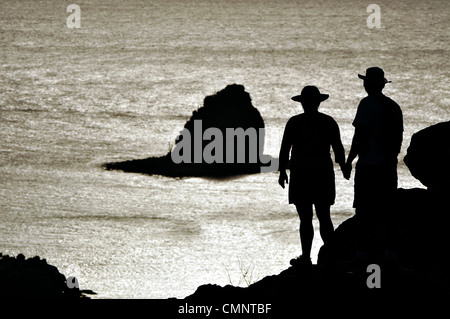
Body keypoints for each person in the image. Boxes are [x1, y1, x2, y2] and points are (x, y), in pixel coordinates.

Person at [278, 86, 347, 268]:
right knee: (324, 217)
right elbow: (338, 148)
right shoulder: (328, 122)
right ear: (318, 102)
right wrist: (343, 166)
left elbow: (285, 148)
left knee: (306, 218)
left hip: (301, 173)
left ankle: (307, 257)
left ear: (303, 103)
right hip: (322, 173)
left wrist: (282, 171)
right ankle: (331, 257)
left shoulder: (294, 122)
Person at [345, 67, 403, 262]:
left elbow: (359, 134)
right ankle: (390, 251)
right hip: (388, 164)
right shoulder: (394, 106)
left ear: (368, 84)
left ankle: (363, 253)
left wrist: (349, 160)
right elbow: (399, 137)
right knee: (388, 209)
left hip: (369, 165)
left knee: (364, 209)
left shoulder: (366, 104)